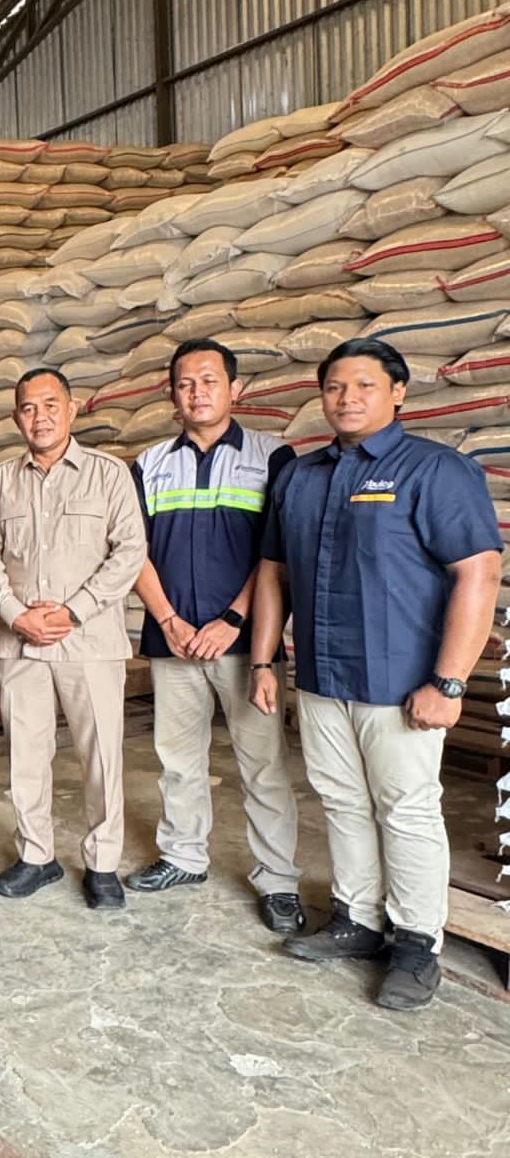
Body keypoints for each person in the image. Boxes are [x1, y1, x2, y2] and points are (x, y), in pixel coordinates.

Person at [251, 337, 499, 1010]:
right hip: (322, 677)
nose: (347, 398)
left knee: (407, 810)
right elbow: (274, 573)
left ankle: (417, 944)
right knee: (340, 801)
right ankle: (357, 919)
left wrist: (449, 683)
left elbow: (478, 574)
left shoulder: (436, 470)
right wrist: (266, 660)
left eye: (364, 385)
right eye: (335, 387)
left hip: (403, 683)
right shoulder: (301, 477)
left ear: (398, 393)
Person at [127, 339, 304, 932]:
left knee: (263, 764)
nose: (197, 392)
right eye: (185, 383)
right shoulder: (150, 463)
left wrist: (232, 619)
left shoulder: (273, 456)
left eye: (209, 381)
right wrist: (169, 620)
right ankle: (183, 856)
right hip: (172, 640)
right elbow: (133, 552)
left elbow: (276, 553)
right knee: (177, 760)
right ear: (171, 394)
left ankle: (278, 880)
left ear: (236, 388)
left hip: (248, 645)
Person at [0, 368, 146, 909]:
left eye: (50, 405)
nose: (39, 417)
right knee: (25, 752)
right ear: (16, 416)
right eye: (28, 408)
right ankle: (36, 855)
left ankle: (103, 863)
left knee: (101, 754)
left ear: (72, 409)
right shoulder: (0, 481)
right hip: (20, 641)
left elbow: (130, 552)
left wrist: (74, 611)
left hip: (89, 641)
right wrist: (15, 613)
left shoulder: (108, 474)